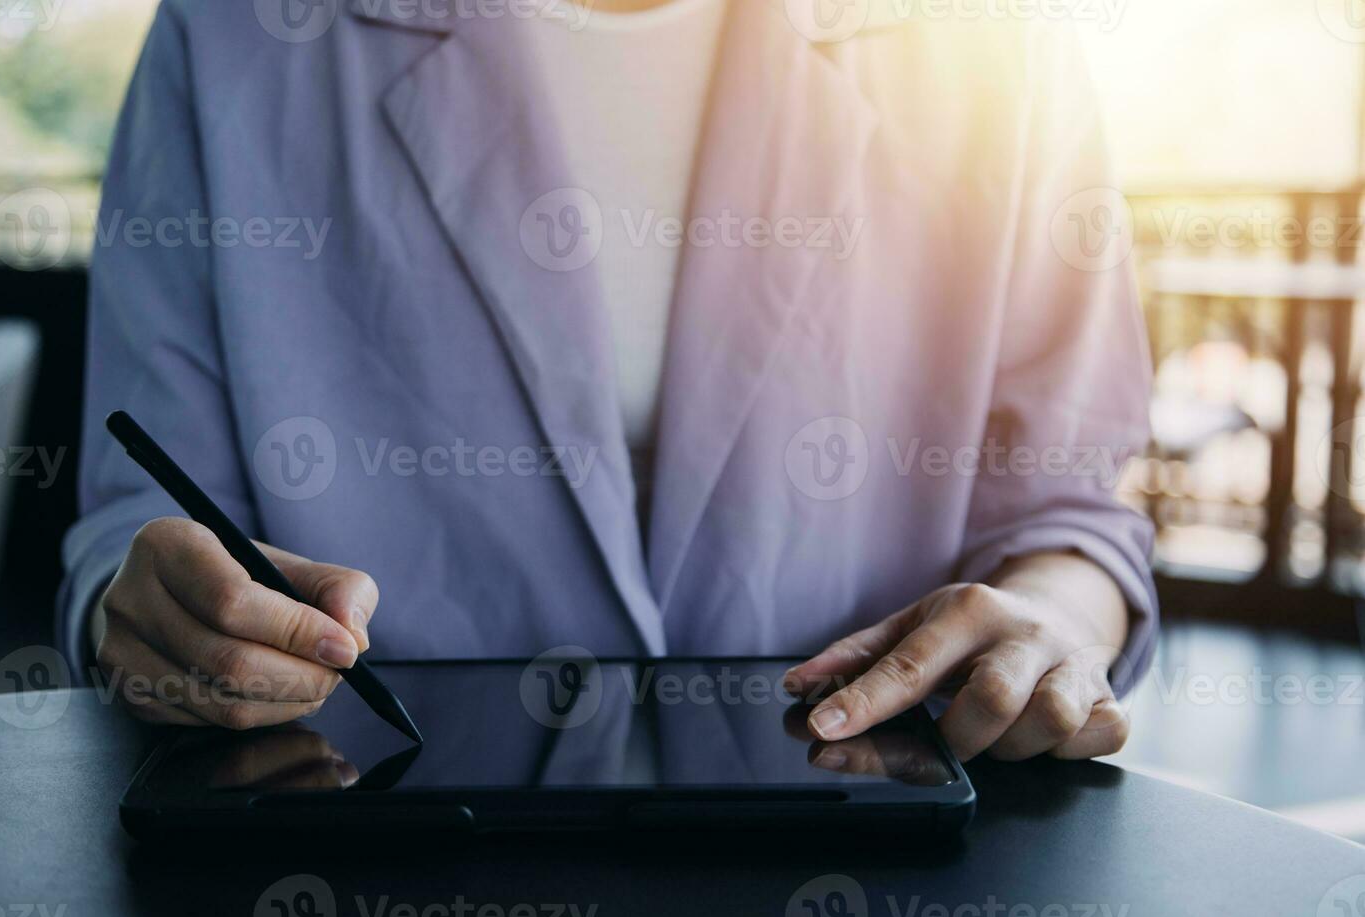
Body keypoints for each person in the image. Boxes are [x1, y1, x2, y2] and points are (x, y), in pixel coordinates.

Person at [61, 0, 1156, 762]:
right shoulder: (229, 33)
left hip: (880, 859)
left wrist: (1052, 624)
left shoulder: (1001, 44)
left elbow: (1069, 516)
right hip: (368, 854)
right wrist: (140, 609)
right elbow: (137, 526)